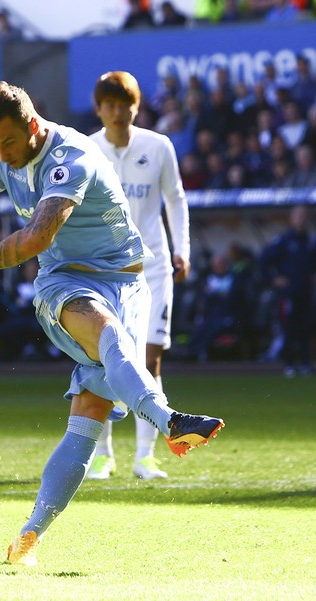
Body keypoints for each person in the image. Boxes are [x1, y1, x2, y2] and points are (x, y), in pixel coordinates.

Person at [0, 81, 224, 566]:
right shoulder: (6, 153)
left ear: (33, 126)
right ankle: (169, 422)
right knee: (109, 335)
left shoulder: (69, 156)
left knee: (88, 418)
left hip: (128, 287)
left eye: (8, 143)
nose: (2, 155)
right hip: (65, 284)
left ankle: (28, 537)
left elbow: (38, 233)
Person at [87, 71, 192, 480]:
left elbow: (175, 199)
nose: (117, 112)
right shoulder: (87, 151)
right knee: (102, 359)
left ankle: (146, 456)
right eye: (109, 104)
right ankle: (102, 455)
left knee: (150, 357)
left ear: (136, 106)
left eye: (124, 104)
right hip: (104, 270)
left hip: (153, 268)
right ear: (99, 109)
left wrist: (183, 250)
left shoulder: (159, 146)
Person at [260, 204, 316, 377]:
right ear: (291, 218)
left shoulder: (312, 241)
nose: (301, 219)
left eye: (304, 216)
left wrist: (315, 273)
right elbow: (263, 261)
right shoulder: (283, 240)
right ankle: (289, 364)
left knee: (305, 328)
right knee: (288, 328)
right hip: (288, 293)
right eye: (298, 216)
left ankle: (305, 363)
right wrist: (273, 279)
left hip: (306, 291)